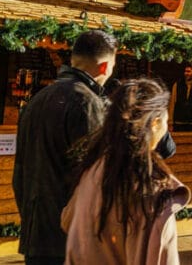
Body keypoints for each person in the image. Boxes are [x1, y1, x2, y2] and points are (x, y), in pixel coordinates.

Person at [14, 30, 117, 265]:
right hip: (72, 237)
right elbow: (95, 176)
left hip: (36, 232)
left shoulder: (36, 100)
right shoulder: (88, 102)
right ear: (104, 67)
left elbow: (20, 171)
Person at [62, 78, 189, 264]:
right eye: (165, 122)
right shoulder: (152, 189)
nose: (165, 130)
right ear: (154, 123)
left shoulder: (91, 171)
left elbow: (67, 219)